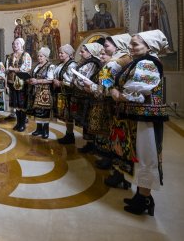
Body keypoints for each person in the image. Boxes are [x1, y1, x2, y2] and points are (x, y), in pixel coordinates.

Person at [110, 30, 169, 216]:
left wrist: (119, 95)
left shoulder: (148, 63)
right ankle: (141, 195)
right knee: (140, 155)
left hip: (146, 119)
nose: (130, 47)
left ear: (149, 46)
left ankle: (145, 199)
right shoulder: (140, 62)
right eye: (131, 43)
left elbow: (139, 92)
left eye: (135, 44)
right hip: (139, 117)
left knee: (146, 156)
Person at [85, 34, 132, 171]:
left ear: (117, 46)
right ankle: (115, 165)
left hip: (114, 103)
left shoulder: (115, 62)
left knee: (116, 135)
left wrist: (92, 87)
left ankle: (116, 167)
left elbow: (105, 86)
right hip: (119, 103)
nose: (104, 50)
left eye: (106, 46)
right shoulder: (124, 58)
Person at [71, 42, 103, 152]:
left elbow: (83, 79)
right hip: (84, 95)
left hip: (89, 95)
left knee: (89, 120)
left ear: (91, 53)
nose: (80, 53)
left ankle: (92, 145)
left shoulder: (93, 63)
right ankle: (89, 143)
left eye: (82, 51)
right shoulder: (86, 62)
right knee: (86, 121)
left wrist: (75, 81)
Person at [5, 37, 32, 131]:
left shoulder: (26, 55)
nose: (15, 45)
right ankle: (18, 123)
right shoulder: (10, 56)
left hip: (22, 83)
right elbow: (6, 68)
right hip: (12, 82)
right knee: (15, 104)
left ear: (21, 45)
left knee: (22, 104)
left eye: (17, 44)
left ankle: (22, 124)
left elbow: (27, 68)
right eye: (13, 44)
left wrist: (13, 69)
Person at [27, 47, 55, 139]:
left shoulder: (50, 66)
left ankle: (45, 130)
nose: (39, 58)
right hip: (35, 91)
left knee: (44, 111)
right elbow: (33, 76)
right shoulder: (36, 66)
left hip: (44, 92)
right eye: (38, 56)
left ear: (46, 57)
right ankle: (38, 129)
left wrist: (37, 81)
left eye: (41, 56)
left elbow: (50, 80)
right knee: (37, 110)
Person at [52, 44, 77, 144]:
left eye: (62, 53)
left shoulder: (72, 65)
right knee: (66, 116)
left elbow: (71, 81)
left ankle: (70, 135)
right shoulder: (61, 64)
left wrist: (60, 82)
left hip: (68, 94)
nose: (60, 54)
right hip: (62, 92)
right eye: (59, 52)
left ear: (68, 54)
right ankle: (68, 134)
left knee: (69, 115)